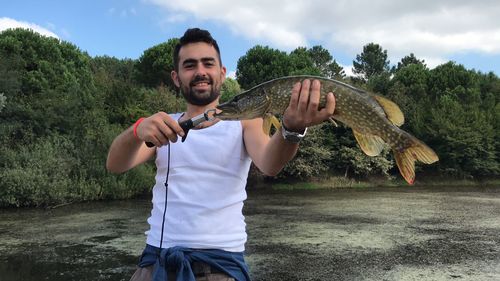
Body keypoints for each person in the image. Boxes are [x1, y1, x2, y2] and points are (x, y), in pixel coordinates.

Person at [106, 28, 336, 281]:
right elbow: (115, 165)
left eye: (208, 63)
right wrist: (137, 130)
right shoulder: (162, 125)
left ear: (222, 73)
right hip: (156, 262)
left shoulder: (246, 123)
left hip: (221, 265)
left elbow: (270, 164)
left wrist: (291, 129)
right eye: (190, 65)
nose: (200, 71)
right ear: (176, 77)